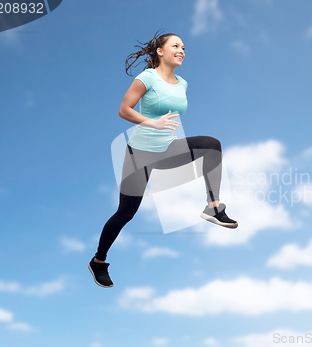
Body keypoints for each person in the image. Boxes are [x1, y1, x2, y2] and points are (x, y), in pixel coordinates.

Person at [88, 29, 238, 288]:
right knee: (126, 213)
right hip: (140, 157)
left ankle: (213, 206)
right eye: (176, 46)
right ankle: (98, 261)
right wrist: (151, 123)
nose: (181, 51)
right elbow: (124, 110)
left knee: (211, 145)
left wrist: (164, 130)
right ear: (160, 51)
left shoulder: (183, 83)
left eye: (184, 48)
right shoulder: (147, 78)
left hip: (168, 150)